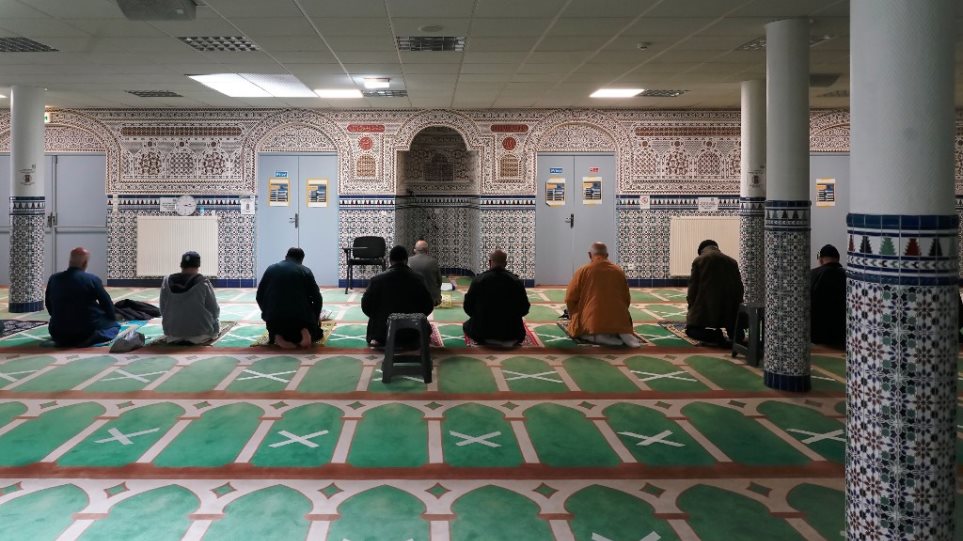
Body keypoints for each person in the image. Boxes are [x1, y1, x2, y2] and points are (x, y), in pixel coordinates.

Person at [565, 242, 639, 347]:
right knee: (618, 316)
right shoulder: (618, 271)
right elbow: (626, 299)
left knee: (578, 326)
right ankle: (621, 333)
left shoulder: (583, 270)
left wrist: (573, 316)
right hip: (619, 320)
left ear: (589, 255)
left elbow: (570, 298)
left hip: (593, 322)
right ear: (607, 255)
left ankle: (596, 336)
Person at [45, 247, 120, 347]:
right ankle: (91, 338)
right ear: (85, 263)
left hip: (57, 333)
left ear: (70, 262)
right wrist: (111, 319)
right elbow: (107, 303)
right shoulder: (92, 279)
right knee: (114, 326)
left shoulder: (54, 279)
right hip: (84, 333)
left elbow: (48, 303)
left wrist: (60, 317)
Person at [362, 245, 434, 347]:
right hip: (412, 333)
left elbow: (365, 306)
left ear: (390, 261)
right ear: (406, 260)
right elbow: (428, 306)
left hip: (382, 334)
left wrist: (378, 318)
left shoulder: (376, 280)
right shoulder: (419, 279)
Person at [256, 247, 323, 349]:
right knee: (318, 333)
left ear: (286, 257)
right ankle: (304, 331)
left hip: (275, 320)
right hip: (300, 319)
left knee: (277, 326)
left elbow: (259, 296)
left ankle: (277, 336)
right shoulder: (305, 271)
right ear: (301, 260)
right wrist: (316, 319)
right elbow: (317, 299)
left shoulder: (271, 268)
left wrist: (268, 314)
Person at [463, 249, 530, 346]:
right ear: (505, 264)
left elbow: (468, 307)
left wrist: (479, 316)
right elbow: (524, 309)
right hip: (512, 335)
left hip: (483, 335)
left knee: (467, 325)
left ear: (489, 262)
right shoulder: (516, 281)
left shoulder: (479, 280)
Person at [685, 239, 744, 346]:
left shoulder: (700, 260)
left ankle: (715, 335)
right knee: (733, 325)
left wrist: (691, 307)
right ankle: (736, 335)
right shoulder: (732, 261)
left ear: (701, 250)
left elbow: (693, 288)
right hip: (729, 307)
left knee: (691, 330)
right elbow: (739, 287)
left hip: (707, 306)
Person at [159, 251, 220, 344]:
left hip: (173, 335)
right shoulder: (203, 282)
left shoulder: (166, 282)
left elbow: (162, 309)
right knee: (215, 323)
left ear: (182, 265)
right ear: (198, 266)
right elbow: (214, 310)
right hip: (199, 334)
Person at [810, 244, 846, 346]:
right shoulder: (848, 276)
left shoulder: (811, 275)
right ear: (838, 259)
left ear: (821, 260)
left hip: (816, 337)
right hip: (841, 337)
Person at [408, 239, 443, 306]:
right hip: (432, 300)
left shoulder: (408, 261)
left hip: (412, 300)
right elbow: (439, 282)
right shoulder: (433, 262)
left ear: (415, 250)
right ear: (427, 250)